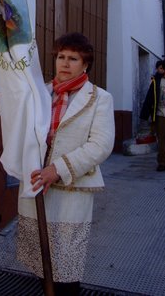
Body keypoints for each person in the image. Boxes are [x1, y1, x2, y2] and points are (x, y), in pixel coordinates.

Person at [17, 32, 115, 295]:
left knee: (66, 267)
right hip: (36, 187)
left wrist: (57, 169)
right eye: (61, 56)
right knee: (40, 261)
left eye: (73, 58)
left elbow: (101, 145)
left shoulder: (99, 98)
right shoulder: (39, 93)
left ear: (85, 64)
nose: (65, 63)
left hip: (70, 193)